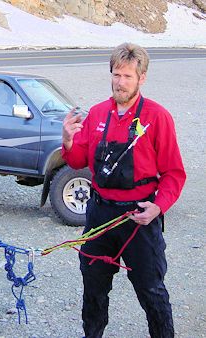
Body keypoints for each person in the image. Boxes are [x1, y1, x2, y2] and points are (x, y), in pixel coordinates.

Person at [61, 42, 186, 338]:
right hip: (100, 214)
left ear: (141, 78)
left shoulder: (158, 117)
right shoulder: (97, 113)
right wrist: (67, 140)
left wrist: (158, 207)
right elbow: (78, 159)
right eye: (116, 74)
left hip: (139, 218)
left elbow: (173, 173)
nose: (120, 82)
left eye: (128, 76)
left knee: (151, 289)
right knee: (93, 285)